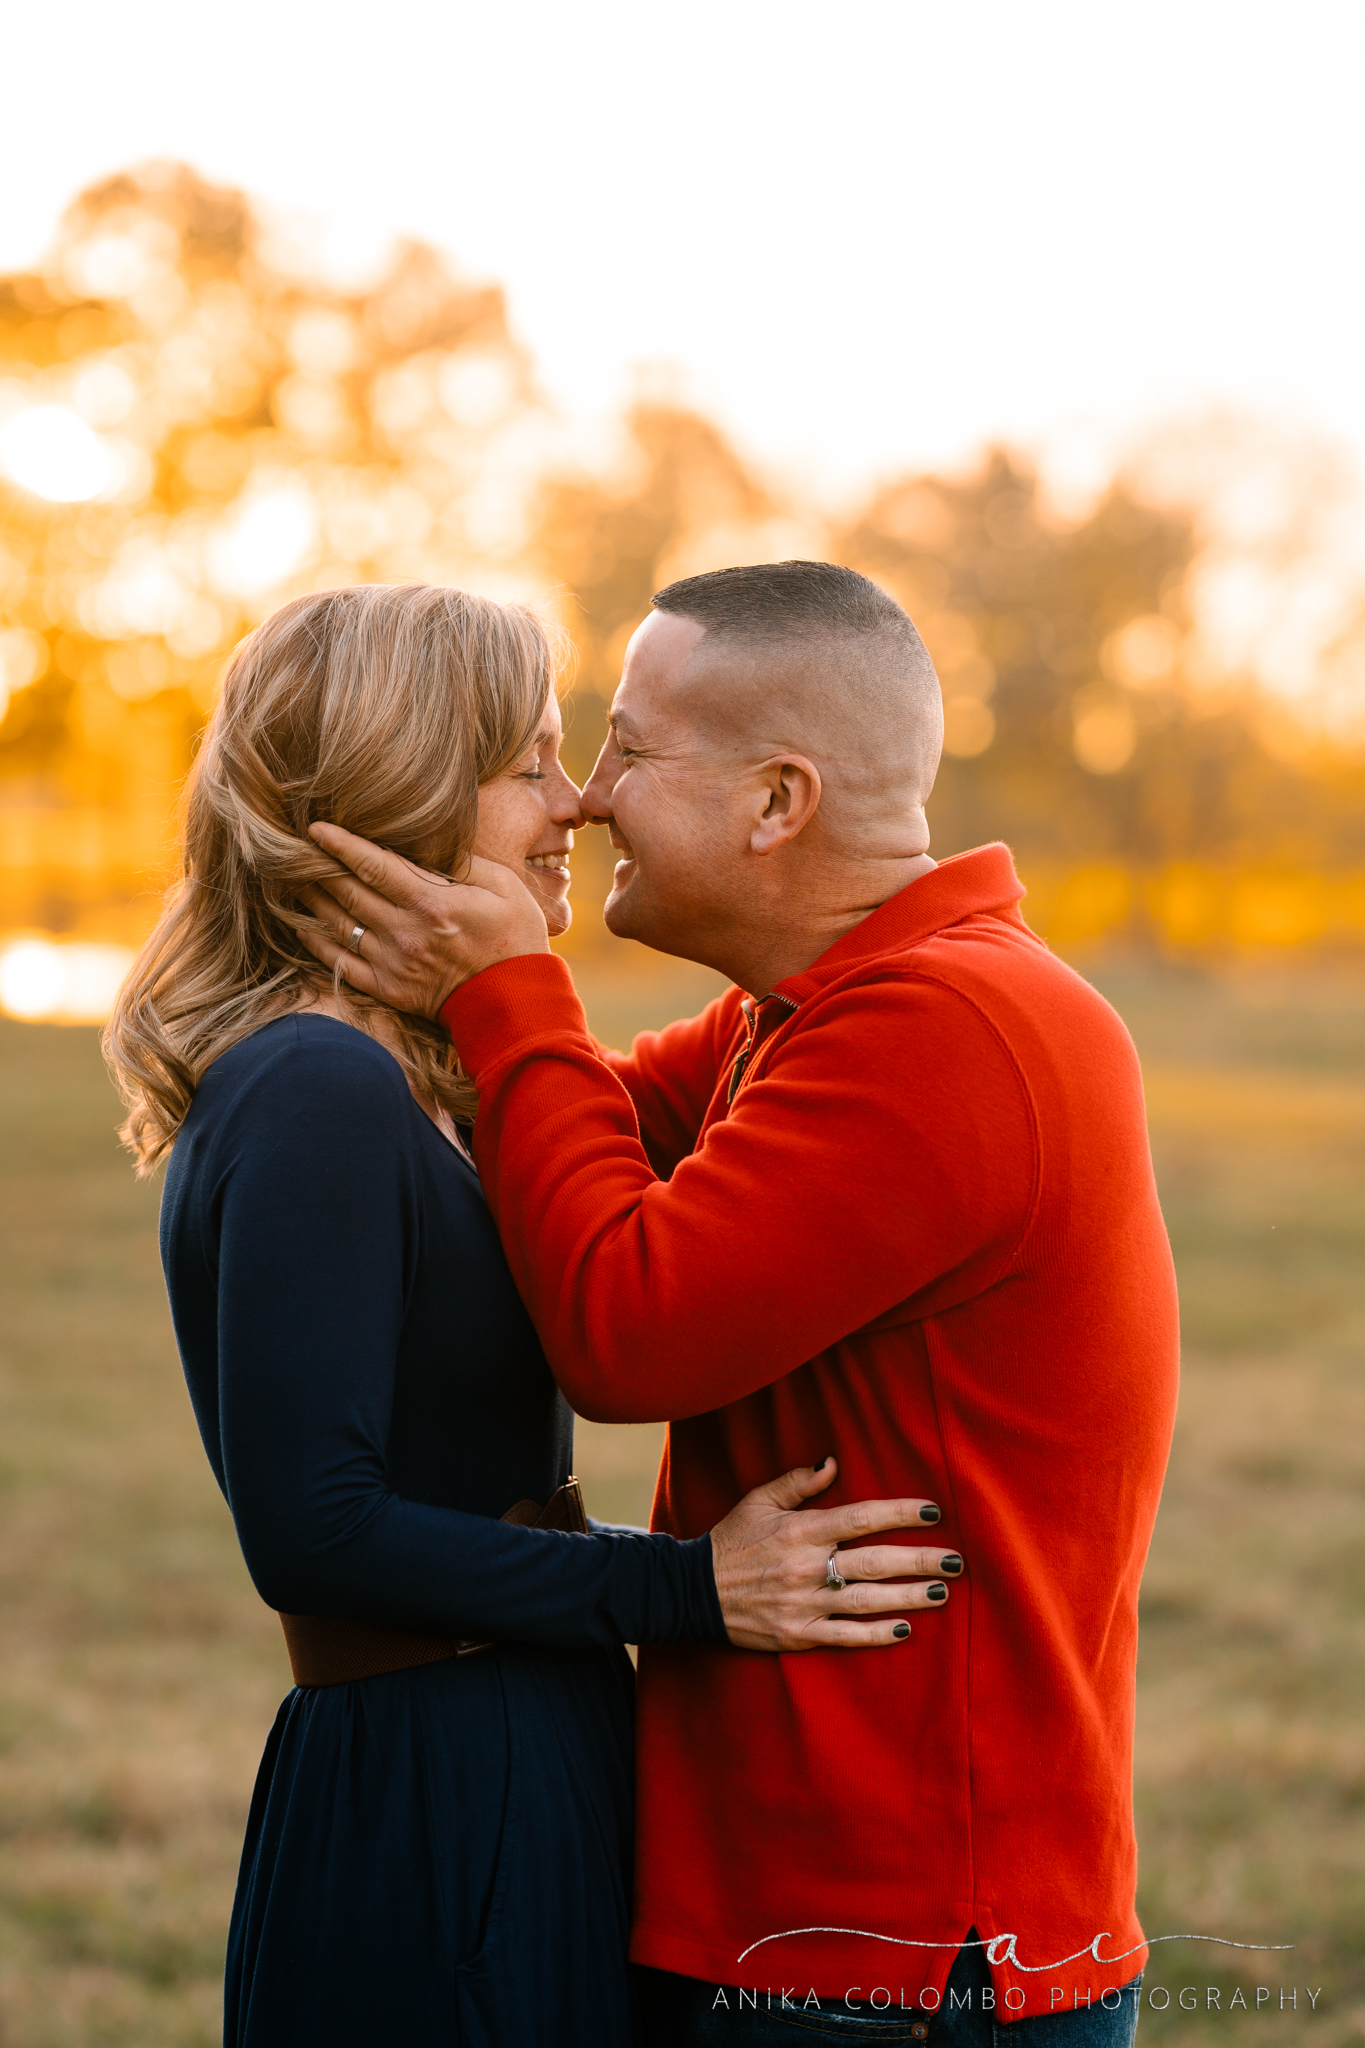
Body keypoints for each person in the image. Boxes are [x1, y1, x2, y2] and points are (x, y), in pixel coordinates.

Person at [302, 561, 1182, 2047]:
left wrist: (509, 991)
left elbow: (625, 1330)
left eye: (629, 750)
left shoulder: (949, 1030)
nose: (588, 798)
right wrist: (359, 1021)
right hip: (807, 1917)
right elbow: (545, 1141)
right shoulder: (813, 1012)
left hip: (895, 1949)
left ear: (778, 802)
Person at [102, 581, 969, 2048]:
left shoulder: (415, 1080)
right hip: (436, 1793)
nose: (574, 806)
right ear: (399, 796)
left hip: (530, 1740)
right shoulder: (312, 1086)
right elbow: (313, 1533)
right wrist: (687, 1590)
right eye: (529, 767)